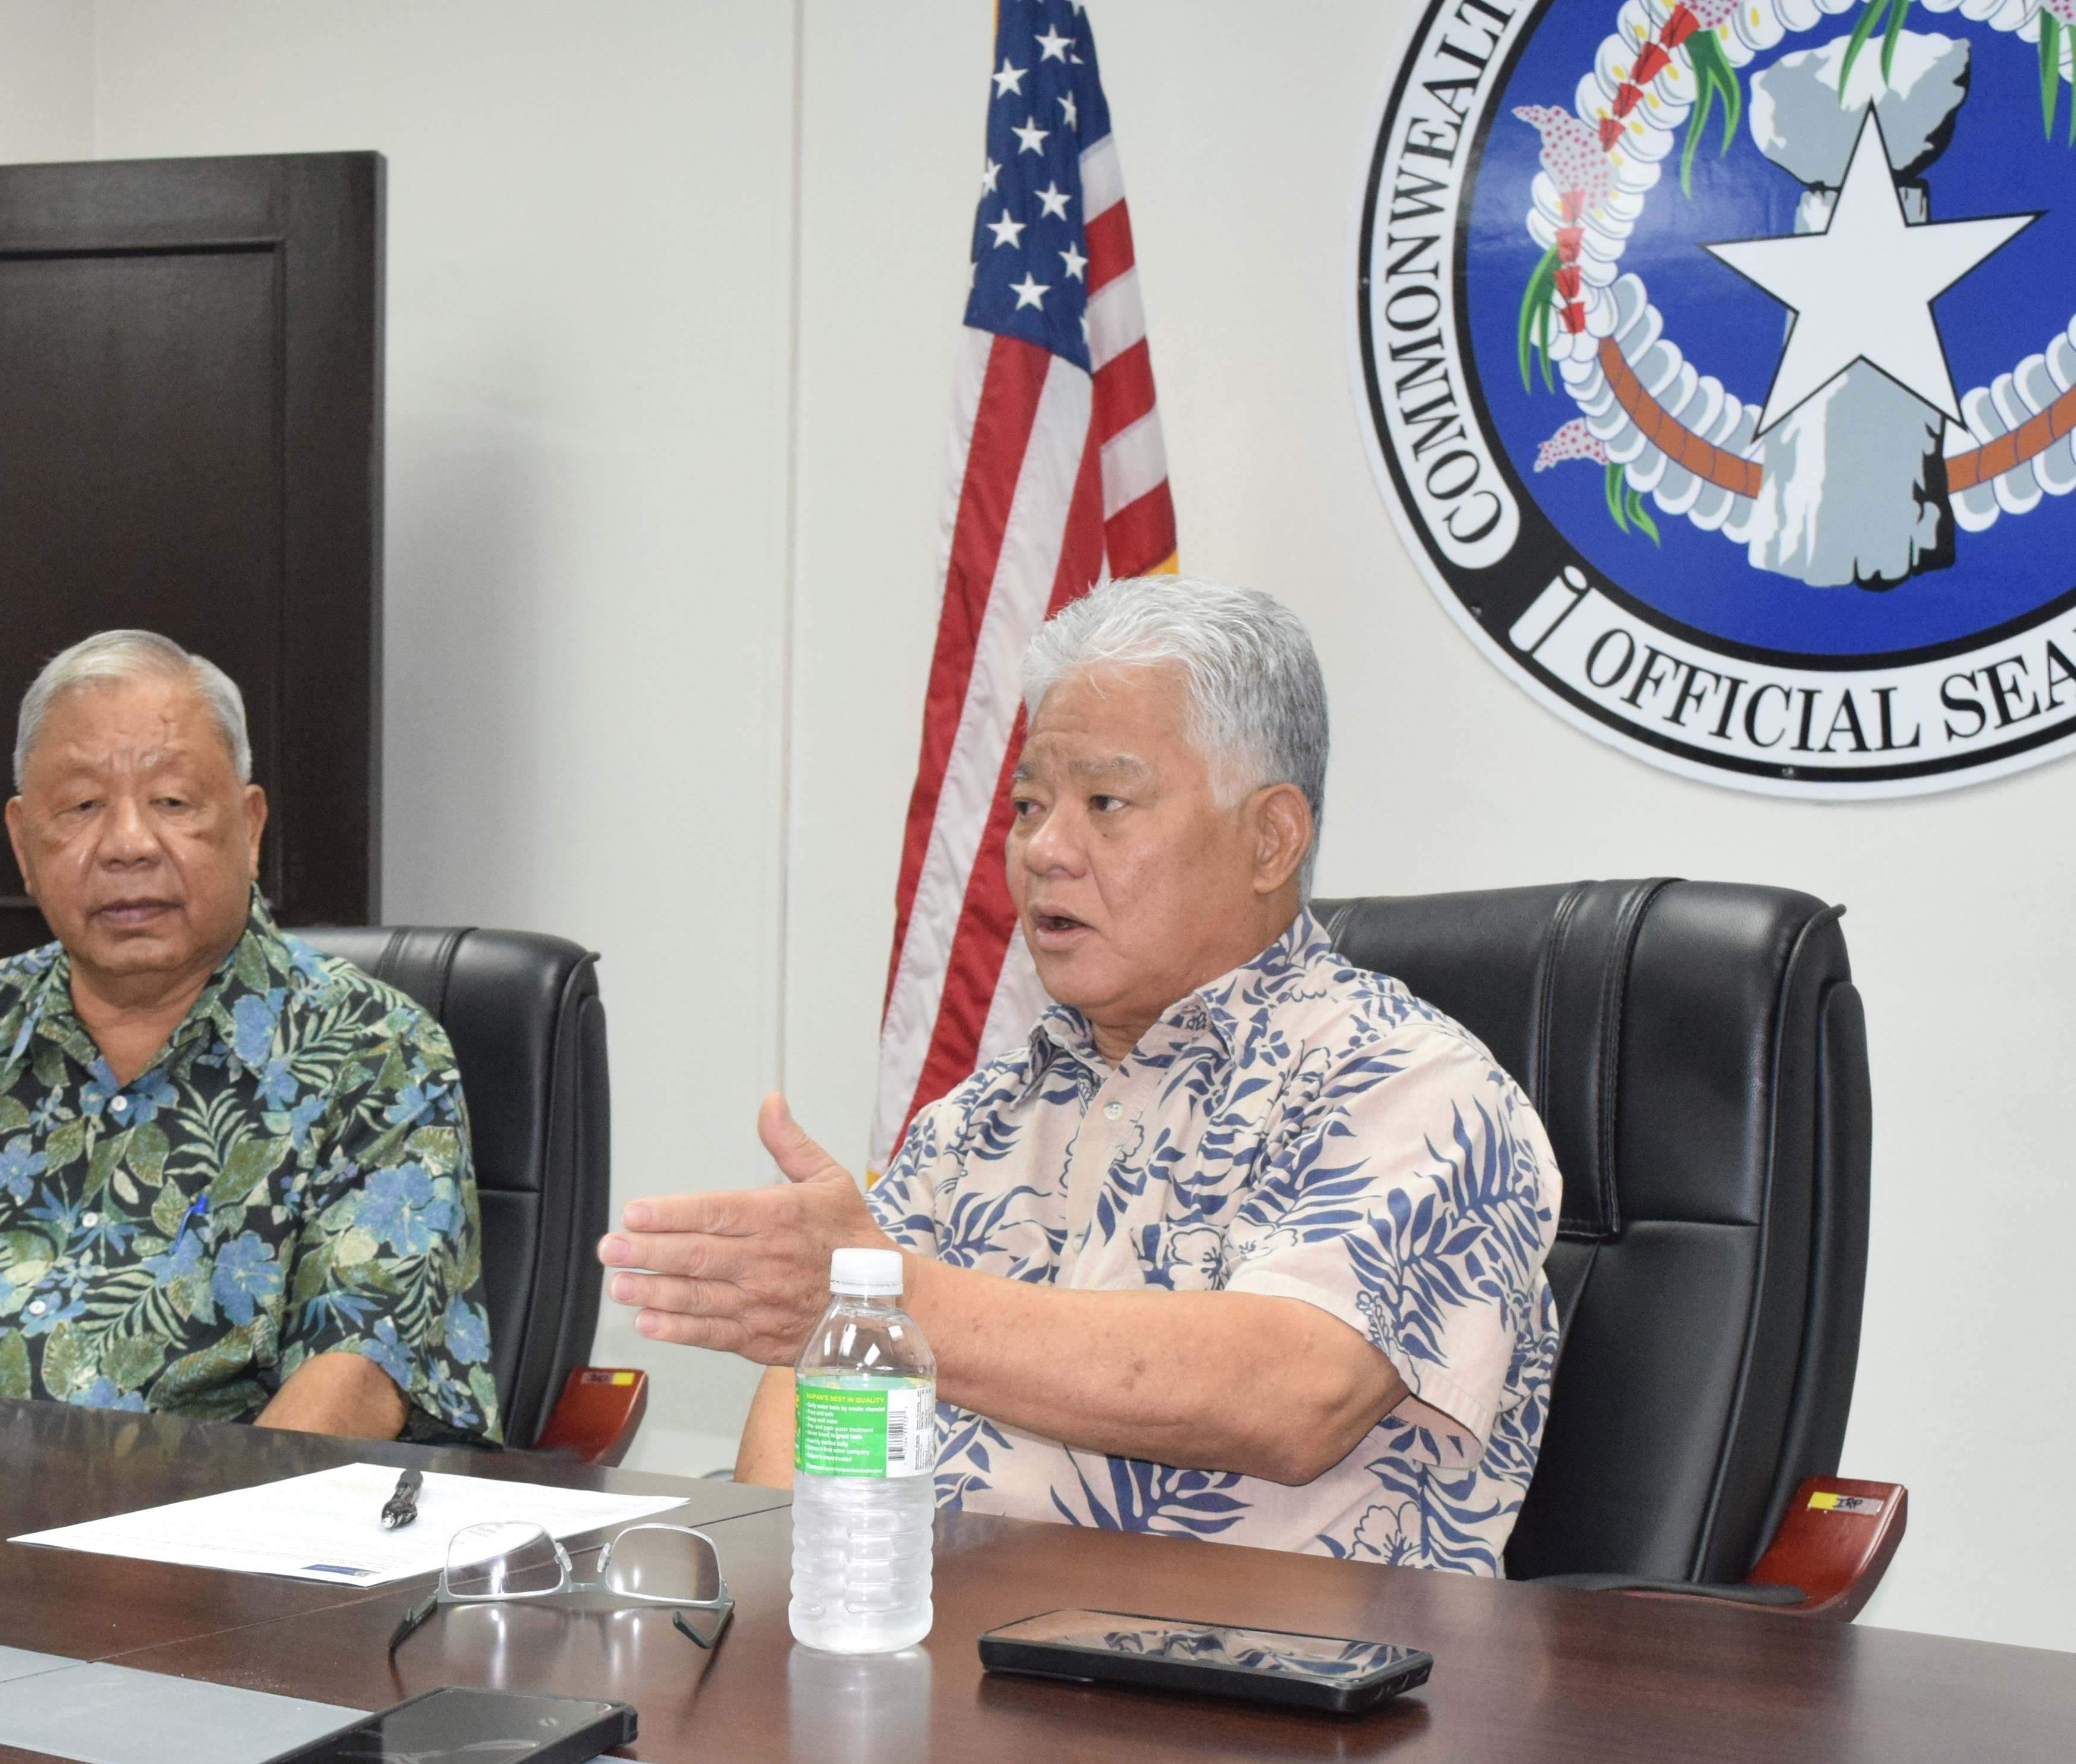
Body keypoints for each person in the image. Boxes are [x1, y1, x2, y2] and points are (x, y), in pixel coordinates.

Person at [606, 577, 1560, 1572]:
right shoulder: (975, 1119)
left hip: (1254, 1702)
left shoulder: (1415, 1086)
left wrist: (888, 1300)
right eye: (1029, 805)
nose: (1043, 850)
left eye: (1107, 802)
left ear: (1271, 837)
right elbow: (808, 1421)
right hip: (929, 1676)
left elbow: (1295, 1392)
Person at [0, 630, 499, 1444]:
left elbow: (356, 1376)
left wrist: (203, 1562)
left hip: (186, 1553)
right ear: (22, 845)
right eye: (79, 808)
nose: (128, 844)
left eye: (174, 802)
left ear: (250, 829)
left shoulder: (371, 1049)